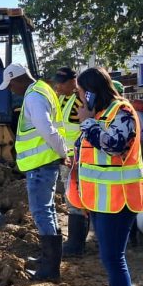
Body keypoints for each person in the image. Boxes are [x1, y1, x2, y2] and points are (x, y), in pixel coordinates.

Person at [67, 67, 143, 286]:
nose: (78, 98)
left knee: (115, 262)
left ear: (91, 91)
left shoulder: (121, 110)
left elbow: (115, 146)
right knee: (111, 262)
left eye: (80, 92)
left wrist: (88, 124)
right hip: (102, 202)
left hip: (120, 200)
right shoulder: (101, 114)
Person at [0, 62, 66, 281]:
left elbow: (47, 128)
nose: (11, 90)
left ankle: (50, 268)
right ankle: (50, 260)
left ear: (18, 79)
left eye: (11, 85)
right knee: (48, 210)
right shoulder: (42, 89)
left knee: (41, 212)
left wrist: (62, 153)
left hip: (41, 165)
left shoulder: (33, 97)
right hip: (45, 163)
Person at [52, 66, 90, 258]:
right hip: (65, 158)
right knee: (71, 199)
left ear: (73, 82)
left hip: (77, 157)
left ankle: (76, 245)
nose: (58, 86)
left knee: (77, 200)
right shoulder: (60, 99)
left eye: (62, 82)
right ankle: (74, 242)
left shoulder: (80, 101)